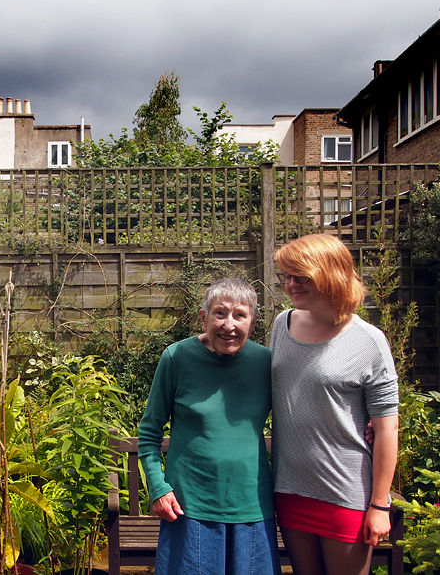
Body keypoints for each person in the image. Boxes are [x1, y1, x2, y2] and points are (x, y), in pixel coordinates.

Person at [270, 233, 399, 575]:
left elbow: (387, 428)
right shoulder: (282, 325)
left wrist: (379, 505)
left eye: (301, 276)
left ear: (330, 274)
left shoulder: (369, 341)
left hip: (345, 492)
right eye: (286, 276)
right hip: (290, 487)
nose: (290, 284)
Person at [138, 278, 281, 575]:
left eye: (239, 315)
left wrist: (364, 422)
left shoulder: (267, 363)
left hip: (251, 507)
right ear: (204, 317)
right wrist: (157, 488)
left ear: (252, 323)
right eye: (220, 313)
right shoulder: (176, 358)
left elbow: (301, 411)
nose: (229, 324)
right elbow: (150, 431)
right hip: (190, 508)